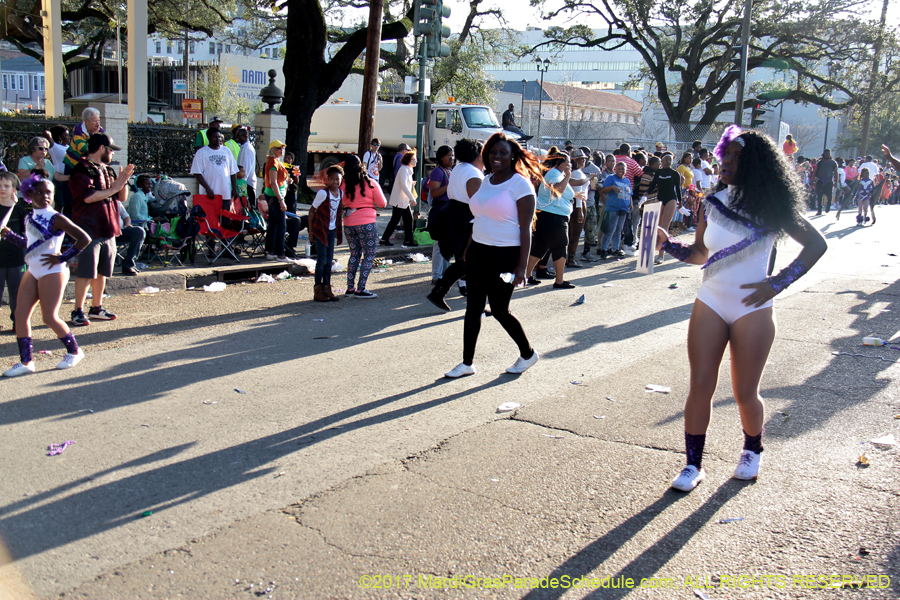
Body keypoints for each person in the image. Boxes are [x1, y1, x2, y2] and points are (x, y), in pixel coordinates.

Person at [656, 125, 827, 492]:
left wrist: (776, 282)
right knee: (700, 384)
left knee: (745, 392)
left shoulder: (774, 206)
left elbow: (816, 245)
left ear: (755, 164)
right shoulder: (712, 202)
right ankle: (692, 464)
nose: (726, 162)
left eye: (736, 157)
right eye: (726, 155)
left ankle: (752, 449)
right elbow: (702, 254)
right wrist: (668, 245)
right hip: (711, 301)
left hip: (754, 309)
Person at [443, 132, 539, 379]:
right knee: (472, 309)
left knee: (499, 310)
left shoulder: (520, 185)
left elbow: (526, 228)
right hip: (478, 252)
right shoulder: (486, 180)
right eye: (493, 152)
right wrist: (467, 250)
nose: (497, 156)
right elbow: (478, 218)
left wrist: (522, 267)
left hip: (506, 256)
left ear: (512, 156)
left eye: (502, 152)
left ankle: (528, 354)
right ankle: (467, 363)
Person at [1, 173, 92, 376]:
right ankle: (26, 362)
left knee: (49, 317)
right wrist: (9, 235)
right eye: (39, 192)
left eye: (48, 192)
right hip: (33, 270)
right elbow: (30, 245)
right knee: (20, 315)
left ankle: (74, 351)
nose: (44, 196)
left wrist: (62, 258)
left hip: (53, 271)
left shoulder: (56, 217)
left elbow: (84, 239)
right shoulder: (29, 217)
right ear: (29, 194)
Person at [68, 134, 134, 326]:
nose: (112, 153)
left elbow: (120, 197)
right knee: (86, 272)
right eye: (110, 149)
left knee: (102, 271)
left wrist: (123, 182)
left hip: (108, 227)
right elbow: (88, 197)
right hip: (88, 228)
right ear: (100, 148)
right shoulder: (81, 169)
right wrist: (114, 188)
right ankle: (78, 310)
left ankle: (97, 307)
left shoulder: (108, 170)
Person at [427, 139, 483, 311]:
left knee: (467, 262)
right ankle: (441, 292)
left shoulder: (459, 168)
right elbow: (478, 203)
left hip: (454, 214)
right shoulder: (473, 173)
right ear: (478, 154)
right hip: (466, 218)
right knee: (470, 261)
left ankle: (440, 292)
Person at [524, 147, 576, 289]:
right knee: (560, 247)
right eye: (568, 162)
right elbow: (557, 191)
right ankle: (559, 281)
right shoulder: (555, 174)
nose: (570, 165)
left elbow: (562, 192)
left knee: (540, 247)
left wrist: (575, 194)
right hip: (554, 217)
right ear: (561, 163)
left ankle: (526, 276)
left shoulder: (555, 173)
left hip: (548, 215)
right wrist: (567, 177)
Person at [342, 155, 387, 298]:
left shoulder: (342, 184)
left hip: (349, 222)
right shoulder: (370, 182)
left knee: (354, 254)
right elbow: (382, 204)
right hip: (367, 222)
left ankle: (350, 288)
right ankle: (361, 289)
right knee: (369, 254)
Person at [309, 166, 344, 302]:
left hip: (331, 230)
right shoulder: (323, 193)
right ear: (327, 180)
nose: (335, 182)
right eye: (332, 179)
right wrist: (311, 232)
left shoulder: (340, 193)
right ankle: (318, 290)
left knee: (329, 261)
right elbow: (312, 211)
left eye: (338, 179)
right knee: (322, 260)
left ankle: (327, 288)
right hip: (320, 229)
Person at [0, 172, 26, 333]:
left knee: (17, 292)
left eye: (6, 186)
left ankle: (18, 321)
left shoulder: (20, 210)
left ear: (14, 189)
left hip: (17, 259)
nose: (2, 189)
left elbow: (28, 235)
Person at [260, 140, 294, 264]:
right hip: (274, 196)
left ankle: (270, 251)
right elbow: (273, 182)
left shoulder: (274, 161)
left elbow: (277, 180)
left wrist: (287, 181)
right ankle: (280, 254)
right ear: (272, 149)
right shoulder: (273, 161)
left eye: (283, 148)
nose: (281, 150)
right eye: (279, 148)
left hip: (272, 195)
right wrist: (281, 200)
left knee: (273, 224)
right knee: (281, 225)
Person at [191, 129, 239, 214]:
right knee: (210, 219)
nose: (218, 139)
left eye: (219, 137)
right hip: (209, 194)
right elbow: (197, 173)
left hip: (225, 193)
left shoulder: (226, 151)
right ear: (209, 137)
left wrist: (234, 189)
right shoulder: (201, 152)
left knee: (225, 219)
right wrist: (208, 189)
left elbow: (233, 172)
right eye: (215, 137)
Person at [646, 153, 683, 264]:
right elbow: (653, 185)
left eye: (670, 159)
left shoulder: (675, 174)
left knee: (664, 227)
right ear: (661, 161)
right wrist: (645, 194)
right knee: (656, 227)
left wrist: (680, 203)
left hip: (671, 199)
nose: (668, 161)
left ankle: (661, 255)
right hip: (660, 199)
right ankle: (651, 252)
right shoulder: (658, 172)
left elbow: (678, 189)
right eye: (666, 159)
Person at [428, 145, 455, 285]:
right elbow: (434, 193)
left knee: (447, 244)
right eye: (449, 156)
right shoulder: (438, 172)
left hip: (449, 210)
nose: (452, 158)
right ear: (441, 157)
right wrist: (450, 185)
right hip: (440, 210)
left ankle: (445, 272)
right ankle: (436, 275)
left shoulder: (449, 171)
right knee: (439, 244)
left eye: (452, 155)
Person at [597, 162, 633, 260]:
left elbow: (629, 194)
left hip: (623, 208)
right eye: (619, 169)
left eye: (623, 169)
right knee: (609, 230)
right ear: (616, 169)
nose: (620, 171)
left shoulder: (627, 181)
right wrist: (612, 187)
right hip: (612, 208)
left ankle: (615, 248)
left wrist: (631, 204)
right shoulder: (611, 178)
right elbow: (603, 190)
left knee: (619, 230)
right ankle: (603, 249)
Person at [381, 150, 417, 247]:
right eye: (414, 159)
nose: (415, 161)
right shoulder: (404, 170)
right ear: (408, 160)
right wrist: (412, 198)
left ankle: (408, 240)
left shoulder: (408, 170)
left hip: (403, 201)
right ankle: (385, 239)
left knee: (408, 220)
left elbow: (405, 184)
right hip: (399, 200)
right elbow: (403, 185)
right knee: (395, 220)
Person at [565, 149, 590, 269]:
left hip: (576, 203)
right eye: (581, 158)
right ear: (574, 160)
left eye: (584, 158)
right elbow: (578, 192)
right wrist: (579, 210)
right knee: (575, 233)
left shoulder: (577, 172)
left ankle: (570, 257)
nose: (583, 160)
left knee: (572, 232)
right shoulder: (577, 173)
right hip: (577, 203)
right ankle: (571, 258)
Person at [579, 147, 603, 262]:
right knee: (574, 229)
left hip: (590, 202)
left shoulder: (595, 169)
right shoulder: (575, 168)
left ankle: (586, 251)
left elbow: (600, 183)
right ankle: (570, 253)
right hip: (576, 202)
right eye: (582, 156)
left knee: (591, 228)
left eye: (586, 155)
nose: (585, 158)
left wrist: (598, 186)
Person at [115, 198, 146, 276]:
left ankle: (128, 264)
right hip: (104, 233)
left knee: (139, 231)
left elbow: (126, 216)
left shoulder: (116, 201)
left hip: (121, 231)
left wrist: (127, 224)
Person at [235, 127, 258, 209]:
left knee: (249, 208)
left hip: (247, 184)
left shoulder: (248, 149)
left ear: (245, 136)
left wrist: (242, 183)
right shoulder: (243, 147)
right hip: (243, 182)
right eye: (236, 135)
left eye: (239, 136)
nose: (237, 138)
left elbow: (246, 168)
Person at [813, 149, 838, 216]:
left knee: (829, 196)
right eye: (826, 153)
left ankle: (828, 207)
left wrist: (836, 182)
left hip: (829, 182)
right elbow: (815, 171)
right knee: (819, 197)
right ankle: (819, 210)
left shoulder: (833, 163)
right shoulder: (820, 162)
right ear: (824, 154)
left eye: (828, 153)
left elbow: (836, 173)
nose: (827, 155)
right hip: (820, 181)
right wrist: (813, 180)